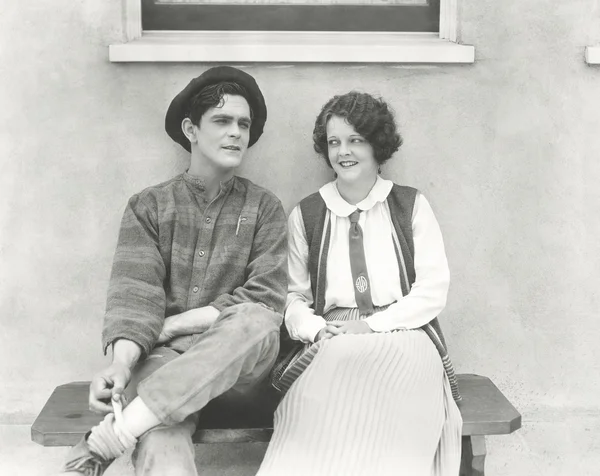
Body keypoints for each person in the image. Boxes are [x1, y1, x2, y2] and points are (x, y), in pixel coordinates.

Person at [60, 66, 288, 476]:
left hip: (242, 377)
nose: (236, 132)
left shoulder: (264, 208)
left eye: (243, 124)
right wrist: (120, 366)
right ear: (191, 129)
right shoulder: (149, 207)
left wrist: (171, 325)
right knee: (161, 433)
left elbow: (266, 299)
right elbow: (134, 297)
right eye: (222, 121)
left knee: (256, 319)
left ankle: (116, 434)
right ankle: (134, 425)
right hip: (163, 367)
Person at [259, 91, 463, 476]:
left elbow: (432, 290)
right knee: (318, 400)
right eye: (334, 142)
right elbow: (292, 296)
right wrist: (317, 329)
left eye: (356, 140)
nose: (344, 152)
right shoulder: (307, 214)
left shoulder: (411, 206)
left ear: (377, 144)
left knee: (400, 403)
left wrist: (369, 326)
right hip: (331, 334)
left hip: (403, 329)